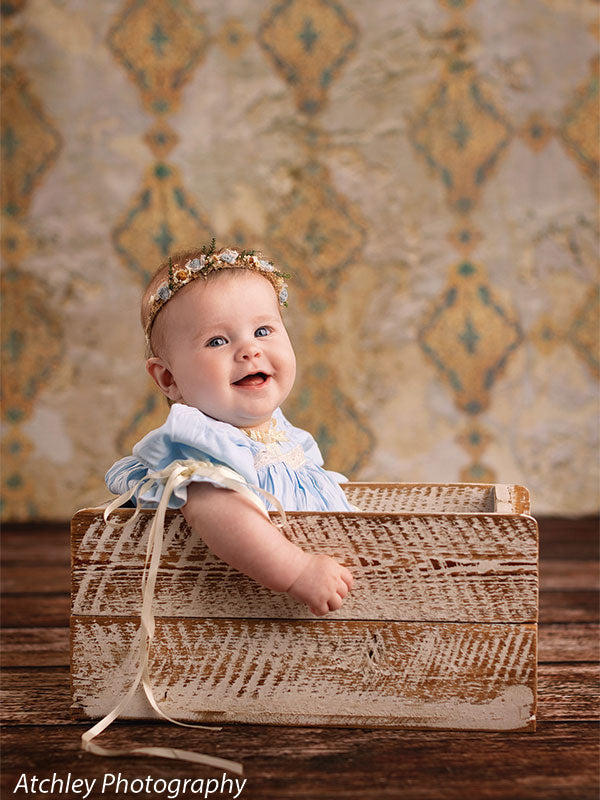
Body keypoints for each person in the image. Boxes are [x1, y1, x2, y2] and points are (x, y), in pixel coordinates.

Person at [106, 243, 354, 617]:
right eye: (217, 341)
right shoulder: (202, 445)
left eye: (263, 330)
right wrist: (297, 570)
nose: (249, 350)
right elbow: (221, 514)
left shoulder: (286, 435)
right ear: (169, 378)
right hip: (238, 613)